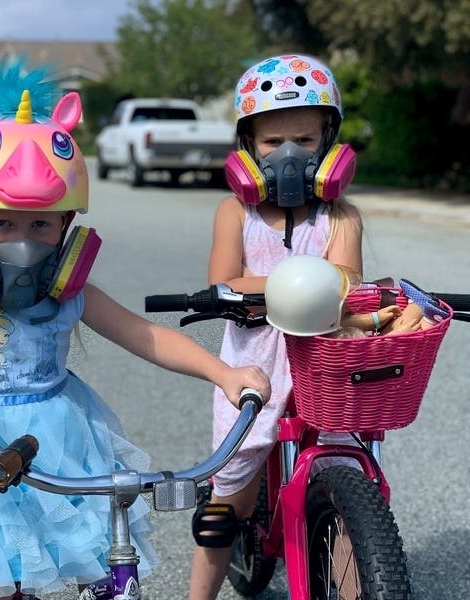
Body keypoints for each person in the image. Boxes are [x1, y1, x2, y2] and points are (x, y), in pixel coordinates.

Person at [0, 63, 271, 600]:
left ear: (66, 226)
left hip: (61, 445)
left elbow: (144, 335)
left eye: (41, 224)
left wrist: (222, 373)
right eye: (1, 223)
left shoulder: (68, 292)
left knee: (100, 571)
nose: (22, 241)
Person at [188, 54, 364, 600]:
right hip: (255, 360)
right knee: (230, 495)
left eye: (306, 141)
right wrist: (301, 283)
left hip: (322, 359)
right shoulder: (232, 214)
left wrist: (283, 285)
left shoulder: (342, 216)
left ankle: (360, 578)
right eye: (271, 142)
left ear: (330, 142)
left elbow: (347, 282)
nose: (289, 155)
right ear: (247, 147)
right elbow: (225, 280)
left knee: (343, 473)